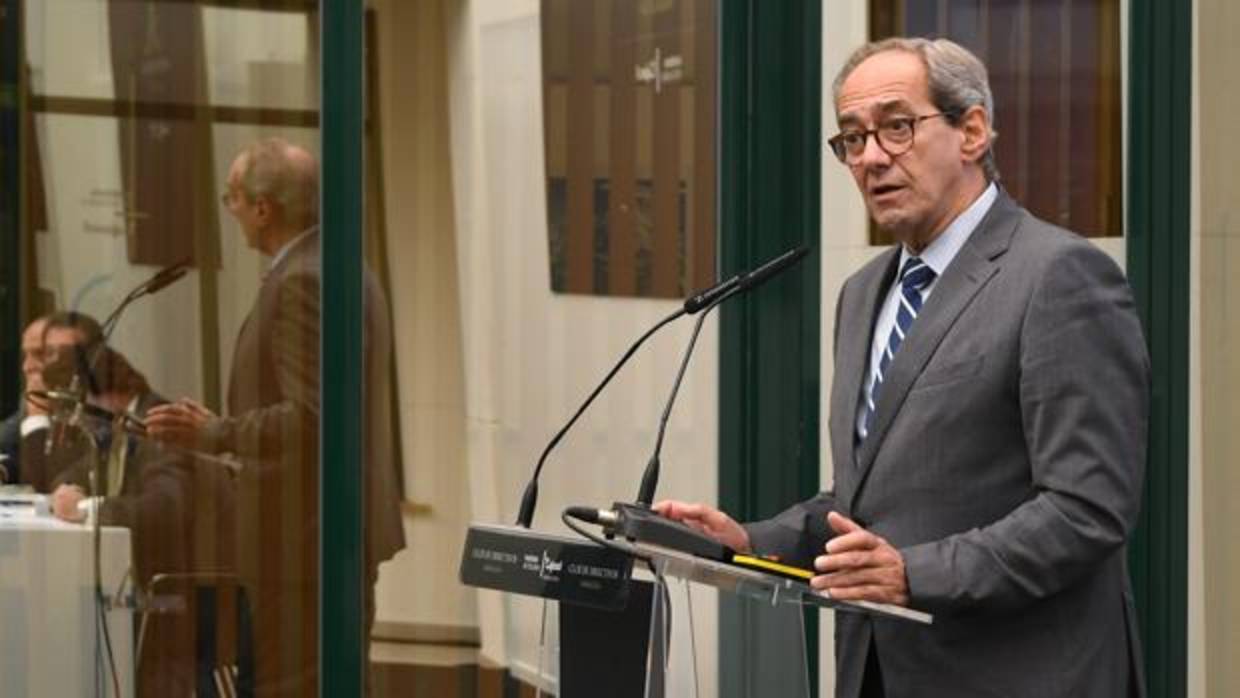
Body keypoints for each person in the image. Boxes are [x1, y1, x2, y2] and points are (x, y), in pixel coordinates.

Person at [655, 38, 1149, 697]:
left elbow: (1085, 509)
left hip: (1019, 677)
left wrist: (914, 574)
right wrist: (746, 540)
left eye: (897, 127)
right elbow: (865, 501)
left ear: (972, 130)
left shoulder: (1058, 277)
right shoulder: (862, 295)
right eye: (853, 139)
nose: (871, 157)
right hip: (876, 673)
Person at [146, 137, 405, 696]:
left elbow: (314, 418)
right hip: (314, 538)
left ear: (263, 208)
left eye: (231, 197)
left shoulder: (304, 280)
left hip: (302, 542)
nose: (231, 211)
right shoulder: (335, 266)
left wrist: (212, 432)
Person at [0, 315, 50, 483]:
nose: (27, 367)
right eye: (26, 355)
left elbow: (47, 477)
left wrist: (38, 415)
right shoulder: (35, 393)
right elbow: (9, 444)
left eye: (40, 354)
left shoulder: (97, 409)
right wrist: (4, 469)